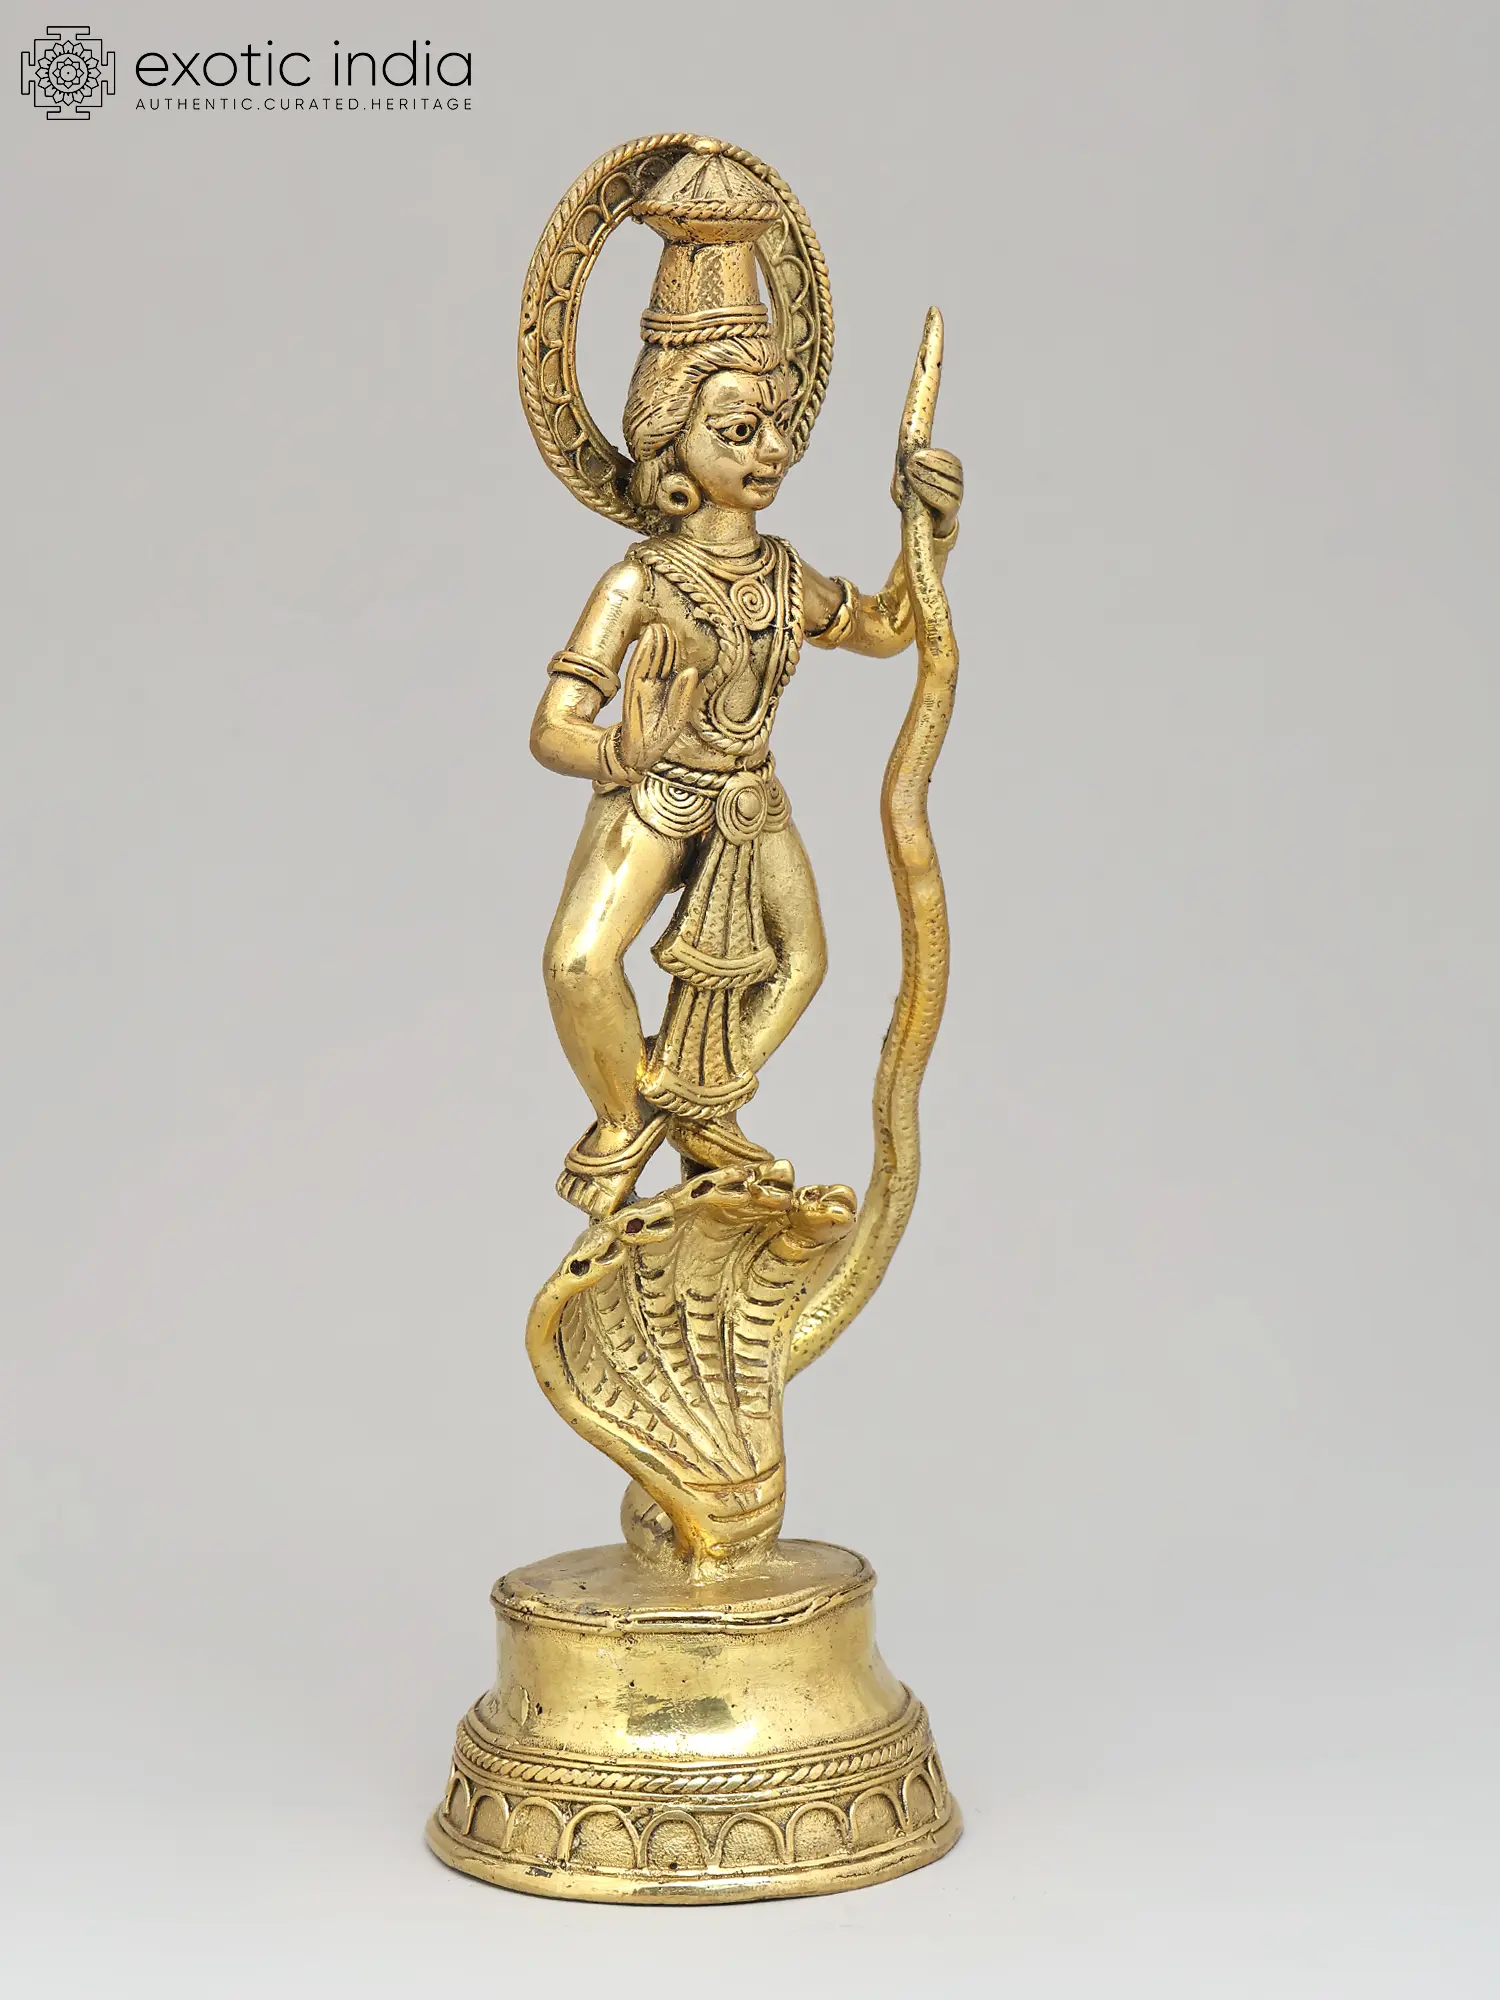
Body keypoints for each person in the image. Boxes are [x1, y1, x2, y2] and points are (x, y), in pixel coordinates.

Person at [529, 149, 963, 1216]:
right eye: (736, 431)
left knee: (802, 961)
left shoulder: (783, 575)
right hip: (654, 795)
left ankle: (693, 1105)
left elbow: (888, 626)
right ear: (669, 439)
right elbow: (553, 725)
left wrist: (931, 533)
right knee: (579, 963)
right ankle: (627, 1119)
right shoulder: (640, 581)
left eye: (775, 426)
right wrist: (618, 751)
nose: (770, 449)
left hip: (749, 801)